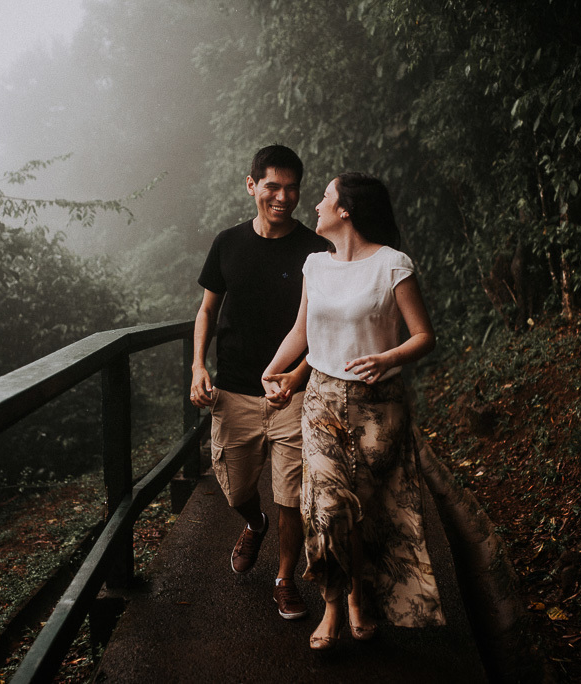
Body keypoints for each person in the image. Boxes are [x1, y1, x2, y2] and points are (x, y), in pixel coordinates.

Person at [262, 172, 446, 650]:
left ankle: (359, 596)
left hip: (379, 408)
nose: (316, 205)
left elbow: (424, 336)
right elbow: (301, 331)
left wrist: (389, 358)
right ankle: (331, 606)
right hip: (321, 398)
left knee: (359, 512)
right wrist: (274, 371)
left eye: (325, 197)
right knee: (327, 509)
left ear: (346, 210)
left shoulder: (392, 265)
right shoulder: (314, 266)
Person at [190, 144, 329, 620]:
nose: (283, 197)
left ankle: (284, 579)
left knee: (291, 497)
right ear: (251, 186)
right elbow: (207, 310)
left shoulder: (316, 250)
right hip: (233, 389)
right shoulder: (228, 243)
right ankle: (254, 522)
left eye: (292, 189)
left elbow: (325, 327)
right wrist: (197, 367)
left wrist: (298, 375)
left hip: (293, 391)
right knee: (236, 488)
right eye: (272, 186)